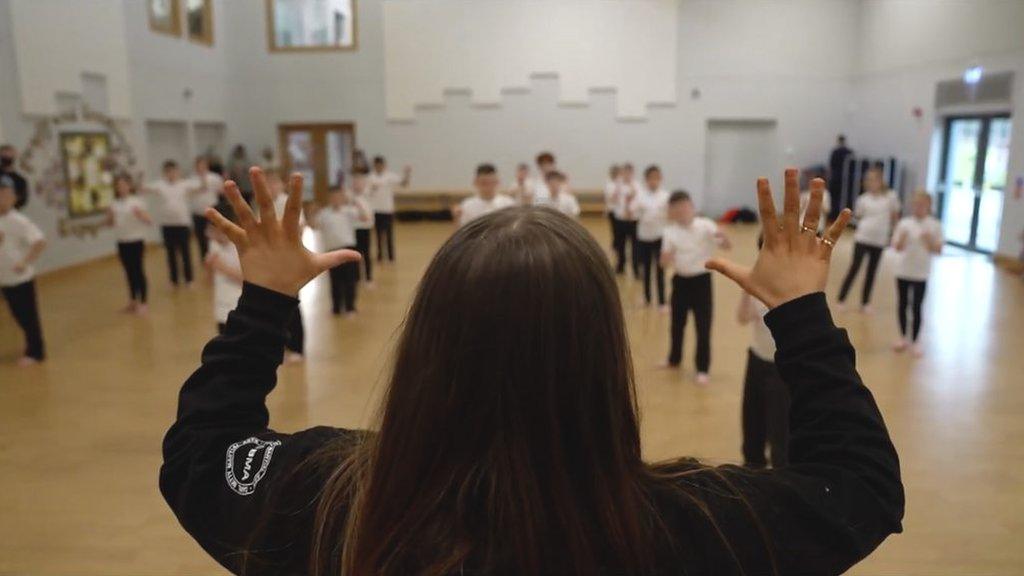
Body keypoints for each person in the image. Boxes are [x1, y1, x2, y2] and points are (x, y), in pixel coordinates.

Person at [160, 166, 903, 576]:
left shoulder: (326, 503)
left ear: (429, 345)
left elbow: (201, 449)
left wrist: (262, 305)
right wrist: (800, 314)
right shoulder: (692, 528)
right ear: (600, 360)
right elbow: (861, 488)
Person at [659, 190, 731, 384]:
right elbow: (664, 262)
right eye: (677, 209)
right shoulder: (669, 231)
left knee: (703, 326)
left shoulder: (705, 225)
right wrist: (665, 260)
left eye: (685, 207)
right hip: (680, 281)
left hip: (702, 282)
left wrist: (723, 238)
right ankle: (674, 358)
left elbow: (725, 246)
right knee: (677, 324)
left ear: (692, 206)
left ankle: (702, 368)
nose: (682, 211)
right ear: (672, 212)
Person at [736, 250, 788, 469]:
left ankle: (780, 489)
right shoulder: (758, 286)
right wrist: (748, 290)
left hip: (783, 369)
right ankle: (753, 479)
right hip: (757, 361)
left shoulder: (793, 287)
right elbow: (742, 318)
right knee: (752, 432)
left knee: (780, 436)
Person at [837, 166, 900, 313]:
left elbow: (895, 217)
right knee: (855, 268)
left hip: (879, 240)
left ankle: (865, 302)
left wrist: (894, 234)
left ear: (880, 180)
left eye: (874, 179)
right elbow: (858, 216)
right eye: (869, 180)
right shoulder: (863, 199)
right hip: (863, 237)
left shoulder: (891, 196)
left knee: (872, 272)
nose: (872, 182)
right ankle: (841, 298)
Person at [0, 176, 47, 365]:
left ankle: (36, 351)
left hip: (21, 278)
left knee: (28, 315)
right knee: (16, 314)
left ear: (14, 198)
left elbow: (40, 242)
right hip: (4, 278)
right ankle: (32, 347)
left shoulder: (19, 220)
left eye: (6, 194)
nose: (2, 197)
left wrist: (25, 262)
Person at [891, 191, 943, 356]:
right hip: (903, 270)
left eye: (921, 204)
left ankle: (915, 340)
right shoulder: (905, 223)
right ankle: (902, 337)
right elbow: (896, 247)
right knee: (903, 303)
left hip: (921, 273)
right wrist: (902, 239)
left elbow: (938, 250)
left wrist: (928, 240)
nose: (918, 207)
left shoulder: (934, 225)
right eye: (915, 204)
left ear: (928, 205)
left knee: (917, 306)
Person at [265, 171, 305, 362]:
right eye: (268, 184)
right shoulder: (264, 205)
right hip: (272, 261)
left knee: (291, 305)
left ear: (281, 185)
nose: (271, 187)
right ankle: (282, 346)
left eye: (274, 183)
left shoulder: (289, 203)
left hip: (288, 260)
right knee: (274, 305)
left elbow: (300, 228)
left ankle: (297, 347)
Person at [311, 187, 371, 316]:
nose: (336, 199)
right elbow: (314, 226)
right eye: (333, 197)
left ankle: (350, 307)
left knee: (350, 280)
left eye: (338, 196)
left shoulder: (349, 211)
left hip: (349, 249)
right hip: (331, 251)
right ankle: (336, 307)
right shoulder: (324, 213)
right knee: (335, 281)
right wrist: (312, 212)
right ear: (329, 198)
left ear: (342, 198)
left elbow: (365, 218)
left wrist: (358, 204)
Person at [143, 160, 194, 288]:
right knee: (170, 254)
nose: (171, 174)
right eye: (168, 171)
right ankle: (173, 280)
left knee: (185, 253)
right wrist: (139, 178)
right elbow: (144, 188)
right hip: (167, 225)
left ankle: (189, 279)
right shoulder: (160, 185)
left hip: (182, 224)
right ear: (165, 173)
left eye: (173, 171)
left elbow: (201, 187)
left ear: (177, 171)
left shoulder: (185, 184)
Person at [106, 174, 152, 314]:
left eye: (124, 184)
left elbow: (149, 220)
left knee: (138, 271)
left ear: (129, 186)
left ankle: (143, 302)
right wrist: (110, 217)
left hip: (136, 240)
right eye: (118, 185)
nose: (121, 188)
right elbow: (110, 224)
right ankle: (133, 300)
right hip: (122, 241)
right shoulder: (114, 204)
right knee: (128, 271)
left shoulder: (137, 201)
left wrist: (140, 215)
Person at [629, 165, 670, 309]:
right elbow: (631, 211)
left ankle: (662, 301)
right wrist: (636, 208)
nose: (653, 181)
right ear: (646, 180)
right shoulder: (640, 195)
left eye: (656, 178)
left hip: (659, 237)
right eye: (650, 178)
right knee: (646, 269)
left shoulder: (665, 196)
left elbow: (670, 214)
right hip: (644, 237)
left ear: (660, 179)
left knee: (660, 270)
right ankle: (647, 298)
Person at [205, 202, 244, 335]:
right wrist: (209, 268)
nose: (208, 232)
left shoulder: (242, 245)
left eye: (212, 227)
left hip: (240, 309)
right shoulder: (213, 245)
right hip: (221, 309)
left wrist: (222, 267)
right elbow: (210, 282)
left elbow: (249, 281)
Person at [367, 156, 411, 263]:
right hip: (376, 210)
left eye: (381, 165)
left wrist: (407, 173)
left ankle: (391, 256)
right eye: (377, 165)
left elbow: (404, 183)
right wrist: (372, 189)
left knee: (389, 234)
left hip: (388, 209)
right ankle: (380, 256)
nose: (379, 167)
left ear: (384, 165)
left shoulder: (390, 176)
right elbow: (366, 192)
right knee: (378, 234)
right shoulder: (370, 177)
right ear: (374, 165)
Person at [186, 156, 224, 260]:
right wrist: (202, 184)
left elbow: (221, 191)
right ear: (195, 166)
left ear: (206, 165)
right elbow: (189, 192)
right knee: (201, 238)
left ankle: (218, 257)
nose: (201, 167)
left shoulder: (215, 177)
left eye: (203, 165)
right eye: (199, 165)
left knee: (215, 235)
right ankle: (205, 259)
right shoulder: (191, 179)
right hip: (198, 213)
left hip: (213, 210)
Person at [349, 169, 375, 286]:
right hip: (352, 230)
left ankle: (369, 278)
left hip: (364, 229)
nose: (357, 184)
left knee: (366, 254)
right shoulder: (349, 198)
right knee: (355, 256)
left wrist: (358, 205)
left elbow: (366, 217)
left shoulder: (366, 197)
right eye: (354, 182)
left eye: (359, 182)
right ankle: (357, 278)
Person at [617, 163, 641, 278]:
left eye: (629, 172)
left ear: (632, 173)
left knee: (635, 246)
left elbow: (639, 201)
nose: (627, 175)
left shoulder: (637, 186)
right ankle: (621, 266)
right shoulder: (619, 185)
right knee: (620, 244)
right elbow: (614, 200)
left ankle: (636, 269)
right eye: (624, 172)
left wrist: (631, 210)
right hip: (621, 219)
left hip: (633, 220)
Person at [828, 134, 853, 219]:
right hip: (847, 178)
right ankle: (843, 216)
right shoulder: (849, 152)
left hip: (836, 177)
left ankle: (834, 215)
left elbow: (831, 166)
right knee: (844, 197)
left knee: (835, 197)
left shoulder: (835, 152)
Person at [0, 144, 29, 209]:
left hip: (7, 213)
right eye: (4, 156)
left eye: (9, 156)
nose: (6, 157)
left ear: (14, 157)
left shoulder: (21, 181)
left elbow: (22, 201)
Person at [604, 164, 622, 252]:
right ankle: (615, 245)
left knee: (619, 229)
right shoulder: (609, 184)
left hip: (619, 210)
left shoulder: (620, 183)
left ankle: (618, 244)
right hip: (612, 210)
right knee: (614, 229)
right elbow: (611, 198)